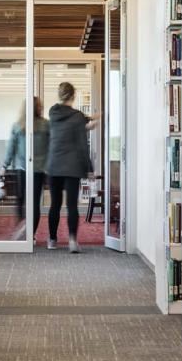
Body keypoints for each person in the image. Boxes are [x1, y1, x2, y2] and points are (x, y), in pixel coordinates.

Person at [45, 81, 100, 253]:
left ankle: (52, 240)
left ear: (60, 95)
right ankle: (72, 241)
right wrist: (90, 169)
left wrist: (89, 123)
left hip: (54, 165)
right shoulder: (77, 117)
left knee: (54, 205)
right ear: (74, 96)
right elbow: (82, 145)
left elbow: (73, 124)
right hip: (72, 167)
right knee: (72, 206)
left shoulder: (53, 112)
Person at [1, 96, 50, 239]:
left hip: (26, 169)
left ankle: (26, 230)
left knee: (21, 199)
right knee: (31, 202)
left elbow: (11, 148)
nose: (41, 107)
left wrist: (4, 165)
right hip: (35, 169)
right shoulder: (43, 125)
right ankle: (29, 233)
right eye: (39, 105)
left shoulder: (21, 125)